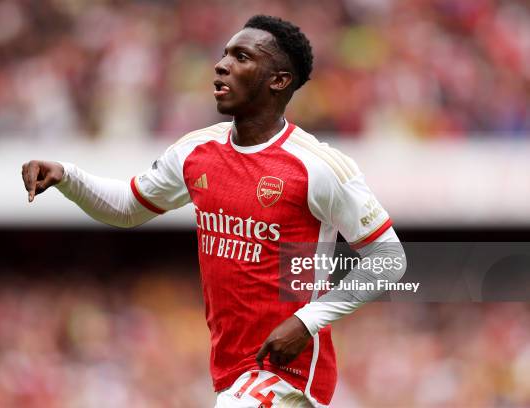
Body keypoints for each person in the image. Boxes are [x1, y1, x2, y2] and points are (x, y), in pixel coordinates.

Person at [22, 15, 406, 408]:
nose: (221, 65)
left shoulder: (317, 167)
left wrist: (307, 321)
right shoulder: (196, 152)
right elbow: (127, 208)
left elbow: (389, 259)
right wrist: (67, 177)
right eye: (224, 54)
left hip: (287, 375)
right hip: (231, 370)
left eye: (242, 57)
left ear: (278, 80)